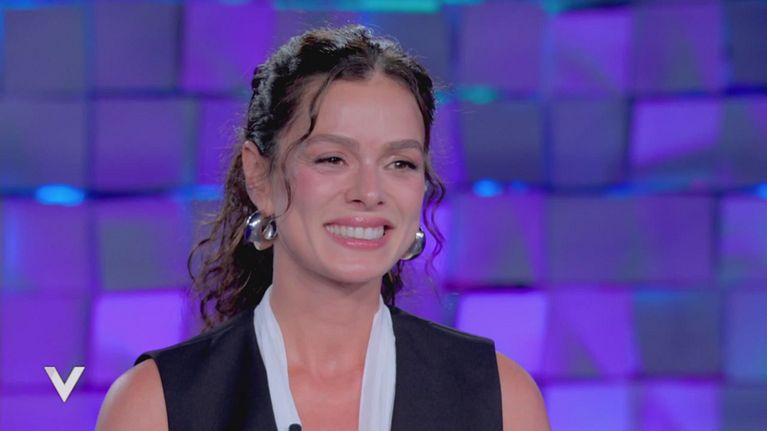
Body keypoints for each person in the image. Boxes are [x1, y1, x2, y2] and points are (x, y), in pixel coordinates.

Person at [96, 25, 550, 431]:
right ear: (260, 177)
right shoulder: (157, 405)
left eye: (400, 163)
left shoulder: (500, 399)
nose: (369, 192)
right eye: (332, 158)